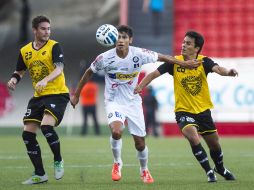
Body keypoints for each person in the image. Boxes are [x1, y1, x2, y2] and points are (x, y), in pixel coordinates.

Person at [70, 25, 200, 184]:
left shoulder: (139, 54)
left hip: (133, 102)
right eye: (118, 37)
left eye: (124, 37)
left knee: (140, 143)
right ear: (112, 39)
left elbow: (164, 57)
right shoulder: (104, 57)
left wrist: (184, 64)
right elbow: (89, 72)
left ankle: (144, 170)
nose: (120, 40)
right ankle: (117, 162)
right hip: (114, 101)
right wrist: (76, 94)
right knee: (116, 131)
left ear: (130, 40)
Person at [134, 30, 237, 182]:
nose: (183, 45)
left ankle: (220, 168)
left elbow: (218, 69)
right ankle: (209, 171)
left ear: (196, 49)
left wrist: (229, 72)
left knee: (214, 145)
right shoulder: (175, 62)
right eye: (183, 42)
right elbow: (153, 74)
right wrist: (140, 86)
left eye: (188, 43)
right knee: (193, 138)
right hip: (183, 111)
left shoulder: (204, 61)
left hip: (203, 111)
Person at [7, 15, 69, 185]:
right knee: (27, 134)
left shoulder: (54, 46)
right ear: (34, 30)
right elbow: (19, 71)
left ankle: (58, 160)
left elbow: (59, 68)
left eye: (49, 28)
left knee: (46, 126)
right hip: (38, 96)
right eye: (43, 28)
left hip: (57, 93)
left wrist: (45, 80)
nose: (47, 32)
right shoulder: (25, 50)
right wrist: (14, 80)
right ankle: (40, 174)